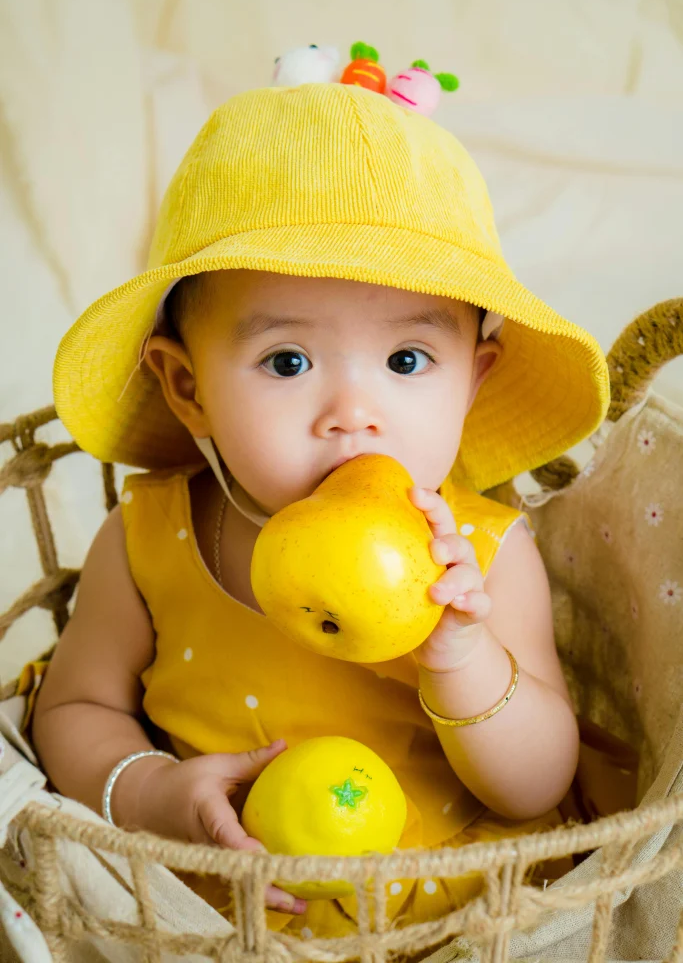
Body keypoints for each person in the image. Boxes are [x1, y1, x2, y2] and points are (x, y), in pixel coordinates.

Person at [30, 82, 609, 937]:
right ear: (186, 387)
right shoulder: (150, 537)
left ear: (472, 381)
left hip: (448, 919)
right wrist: (150, 792)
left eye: (407, 359)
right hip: (210, 908)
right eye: (288, 360)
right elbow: (74, 711)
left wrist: (461, 656)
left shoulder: (478, 556)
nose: (353, 411)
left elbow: (536, 784)